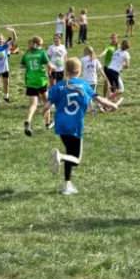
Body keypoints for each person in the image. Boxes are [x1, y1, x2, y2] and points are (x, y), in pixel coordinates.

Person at [42, 58, 120, 195]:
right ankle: (59, 157)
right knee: (76, 159)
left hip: (61, 126)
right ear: (79, 70)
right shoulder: (84, 85)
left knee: (69, 152)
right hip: (75, 126)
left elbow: (47, 106)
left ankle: (67, 185)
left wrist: (43, 112)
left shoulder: (58, 86)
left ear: (66, 70)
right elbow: (99, 99)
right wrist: (112, 104)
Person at [22, 36, 52, 136]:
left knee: (33, 104)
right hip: (41, 81)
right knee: (46, 102)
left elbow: (22, 65)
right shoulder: (42, 53)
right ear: (39, 44)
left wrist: (29, 66)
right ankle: (48, 123)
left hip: (30, 81)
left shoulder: (27, 54)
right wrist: (54, 67)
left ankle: (28, 121)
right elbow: (49, 66)